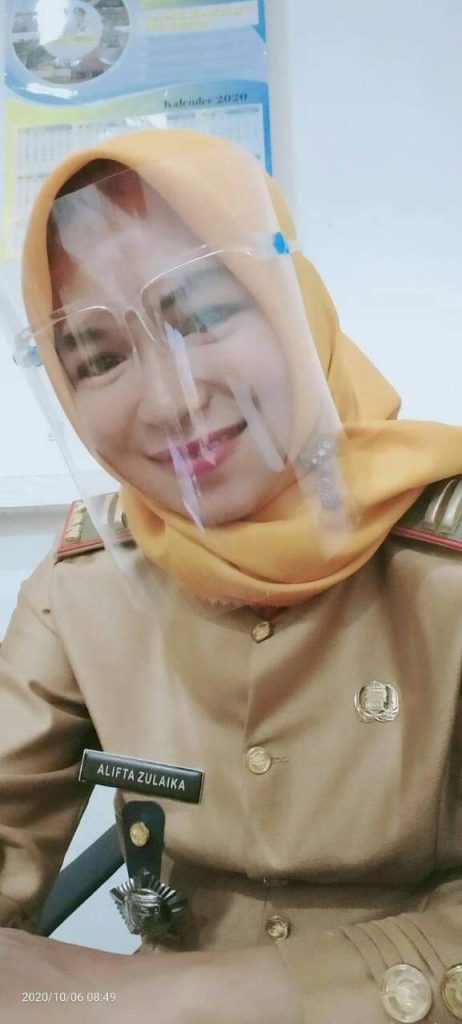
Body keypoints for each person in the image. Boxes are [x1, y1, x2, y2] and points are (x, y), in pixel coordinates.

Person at [1, 127, 462, 1024]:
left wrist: (177, 994)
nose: (171, 400)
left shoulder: (443, 562)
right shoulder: (85, 582)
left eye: (202, 316)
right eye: (99, 359)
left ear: (294, 303)